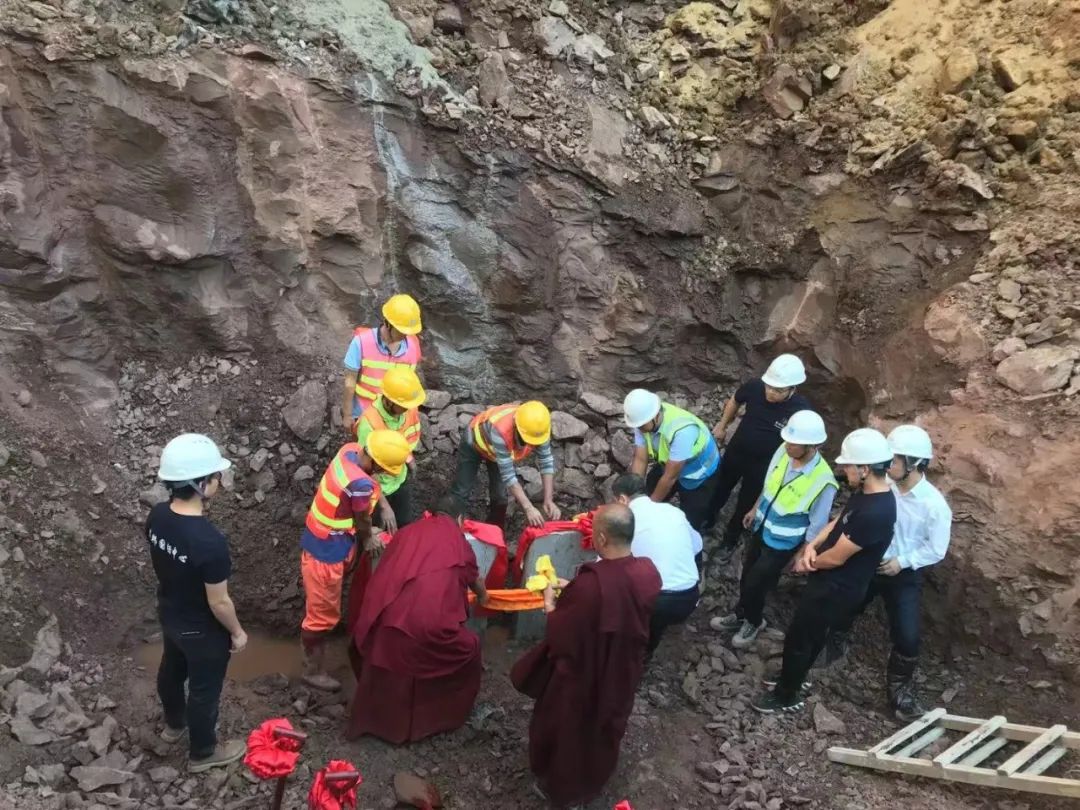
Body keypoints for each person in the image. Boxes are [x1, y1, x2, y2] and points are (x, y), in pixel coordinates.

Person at [510, 504, 661, 808]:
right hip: (622, 671)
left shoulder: (593, 585)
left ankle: (564, 793)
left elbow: (562, 634)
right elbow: (616, 608)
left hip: (584, 674)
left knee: (568, 729)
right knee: (605, 727)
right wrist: (575, 590)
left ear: (602, 538)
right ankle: (592, 781)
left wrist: (550, 604)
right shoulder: (647, 572)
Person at [751, 428, 896, 714]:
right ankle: (794, 678)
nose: (843, 470)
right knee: (809, 635)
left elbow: (838, 557)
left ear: (865, 468)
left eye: (848, 466)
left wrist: (809, 561)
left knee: (801, 637)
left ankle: (786, 695)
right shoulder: (865, 494)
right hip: (829, 580)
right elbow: (839, 521)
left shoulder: (877, 512)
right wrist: (812, 545)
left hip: (836, 587)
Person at [827, 425, 953, 721]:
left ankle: (900, 694)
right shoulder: (884, 487)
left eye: (895, 460)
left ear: (916, 463)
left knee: (907, 636)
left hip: (903, 573)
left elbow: (937, 549)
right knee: (847, 604)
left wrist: (904, 561)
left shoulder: (934, 506)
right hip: (870, 561)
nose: (888, 464)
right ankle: (833, 646)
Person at [346, 496, 490, 743]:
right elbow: (474, 580)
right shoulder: (458, 542)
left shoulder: (408, 532)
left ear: (430, 513)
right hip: (427, 627)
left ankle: (377, 722)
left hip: (386, 619)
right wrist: (485, 597)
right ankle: (441, 717)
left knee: (392, 653)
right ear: (460, 520)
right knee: (470, 648)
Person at [148, 434, 247, 772]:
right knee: (204, 690)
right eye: (216, 476)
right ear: (201, 484)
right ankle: (204, 753)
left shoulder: (158, 517)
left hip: (171, 615)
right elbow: (219, 603)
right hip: (202, 632)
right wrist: (236, 633)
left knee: (171, 671)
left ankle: (173, 726)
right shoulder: (209, 542)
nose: (219, 481)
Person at [709, 410, 837, 650]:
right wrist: (754, 508)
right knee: (747, 574)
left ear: (811, 446)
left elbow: (818, 524)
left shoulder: (824, 481)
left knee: (756, 582)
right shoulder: (783, 452)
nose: (787, 445)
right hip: (761, 527)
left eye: (794, 443)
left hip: (783, 543)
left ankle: (755, 621)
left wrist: (801, 554)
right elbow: (770, 484)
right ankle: (740, 614)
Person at [299, 430, 412, 692]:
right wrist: (368, 538)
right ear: (372, 462)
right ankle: (312, 671)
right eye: (382, 470)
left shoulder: (349, 450)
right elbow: (362, 519)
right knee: (323, 617)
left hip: (328, 538)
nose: (382, 475)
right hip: (326, 553)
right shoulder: (360, 484)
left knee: (327, 607)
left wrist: (382, 505)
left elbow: (361, 493)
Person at [709, 354, 812, 563]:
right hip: (737, 450)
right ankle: (708, 518)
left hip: (764, 464)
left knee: (746, 503)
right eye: (769, 386)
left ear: (792, 388)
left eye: (777, 390)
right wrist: (722, 425)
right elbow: (736, 400)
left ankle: (730, 539)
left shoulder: (800, 410)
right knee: (720, 485)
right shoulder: (755, 387)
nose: (770, 392)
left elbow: (805, 442)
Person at [611, 473, 701, 657]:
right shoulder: (674, 511)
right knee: (655, 623)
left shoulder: (626, 522)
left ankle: (627, 653)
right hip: (689, 596)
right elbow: (697, 545)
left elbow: (609, 566)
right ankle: (647, 651)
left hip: (657, 601)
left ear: (622, 499)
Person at [451, 401, 562, 530]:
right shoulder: (501, 430)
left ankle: (495, 534)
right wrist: (528, 507)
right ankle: (452, 530)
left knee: (500, 496)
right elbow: (508, 475)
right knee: (461, 490)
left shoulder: (538, 429)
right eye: (527, 440)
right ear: (516, 425)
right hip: (474, 441)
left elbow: (546, 461)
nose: (531, 444)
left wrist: (548, 499)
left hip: (496, 453)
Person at [623, 389, 721, 533]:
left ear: (655, 416)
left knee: (690, 522)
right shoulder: (643, 421)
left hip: (698, 474)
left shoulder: (682, 431)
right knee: (649, 491)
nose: (639, 429)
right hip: (669, 464)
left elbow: (670, 477)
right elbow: (640, 458)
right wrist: (634, 494)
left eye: (642, 426)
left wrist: (648, 510)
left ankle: (704, 526)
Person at [354, 366, 427, 533]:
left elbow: (406, 439)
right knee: (378, 533)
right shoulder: (369, 423)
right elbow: (365, 469)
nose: (408, 409)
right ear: (389, 400)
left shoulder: (408, 408)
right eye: (404, 405)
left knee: (404, 525)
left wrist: (408, 458)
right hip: (377, 489)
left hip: (399, 479)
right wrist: (384, 505)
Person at [341, 294, 423, 432]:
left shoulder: (412, 349)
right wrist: (347, 415)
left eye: (408, 331)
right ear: (387, 323)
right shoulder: (361, 342)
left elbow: (407, 387)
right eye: (401, 331)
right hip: (363, 412)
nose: (405, 335)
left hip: (392, 415)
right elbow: (350, 383)